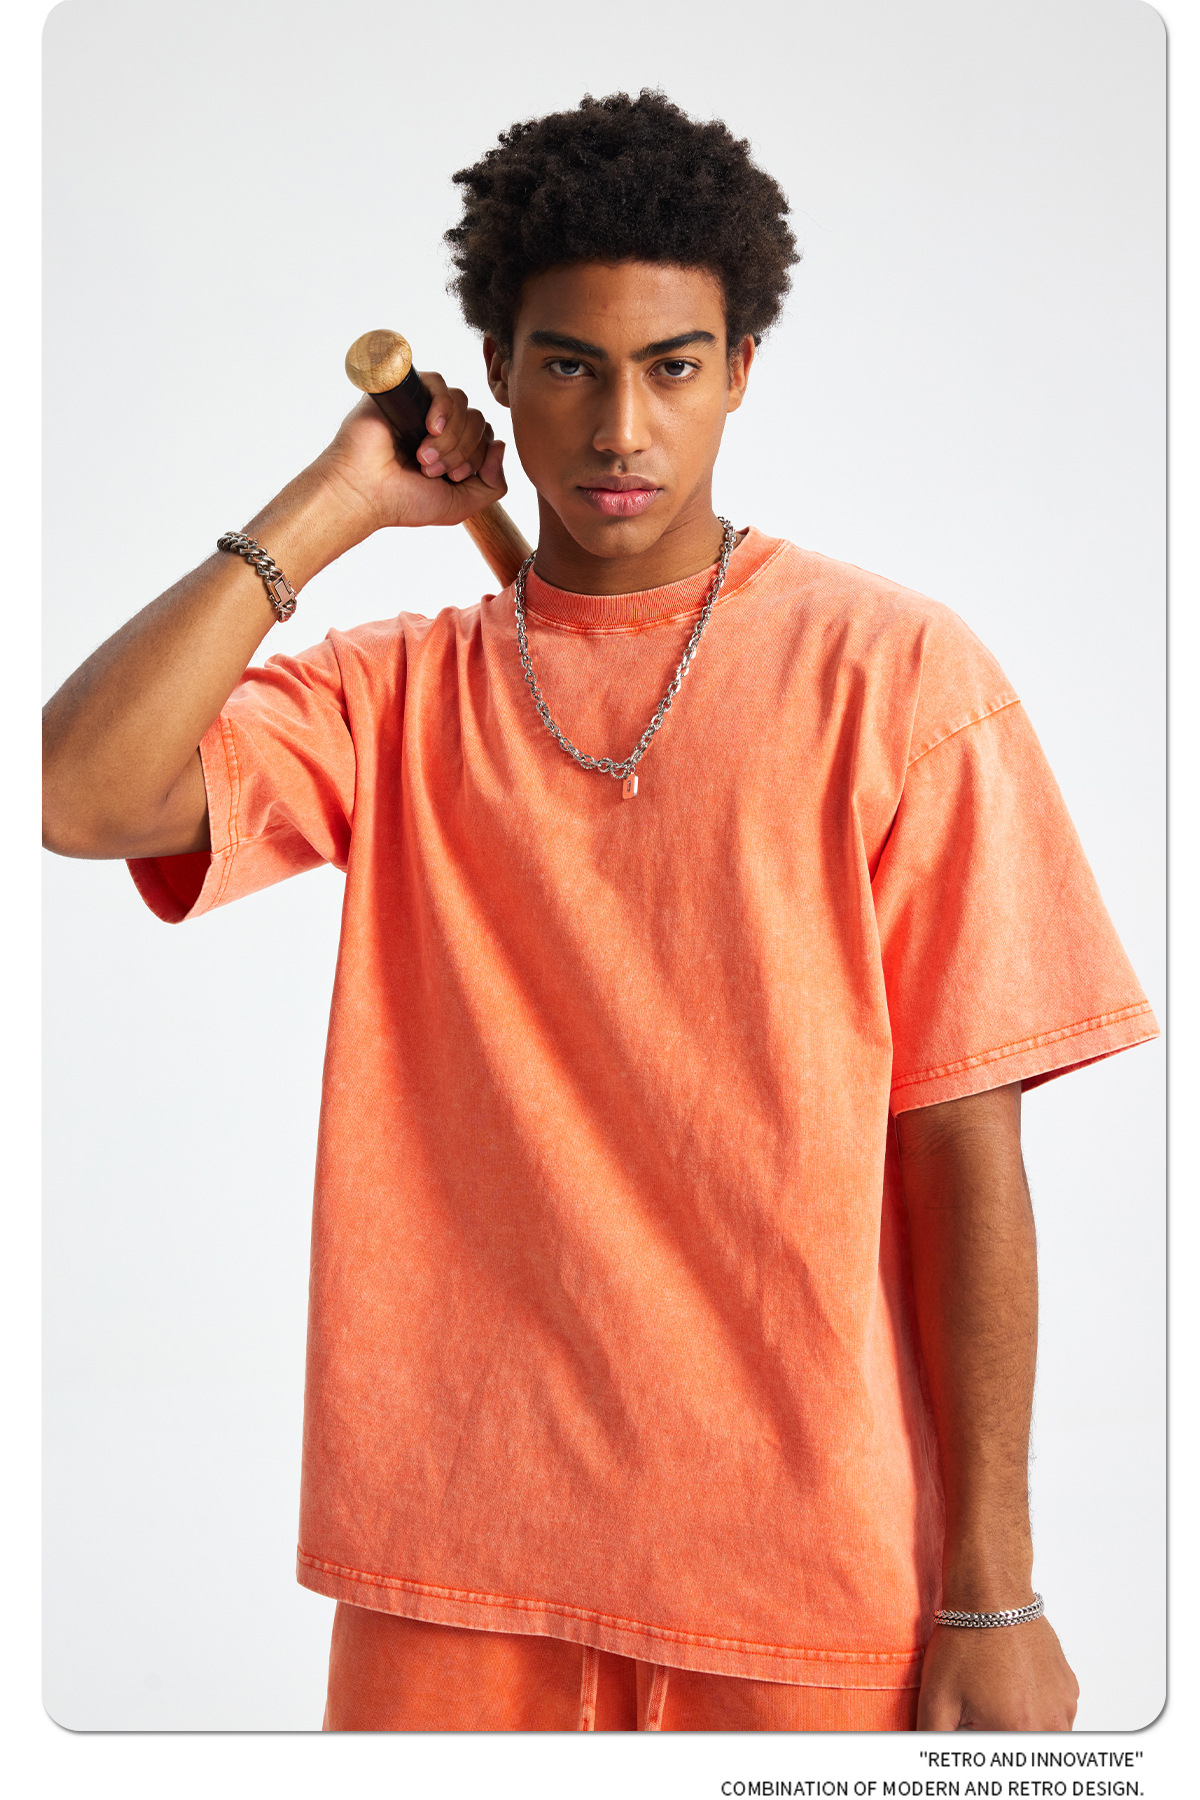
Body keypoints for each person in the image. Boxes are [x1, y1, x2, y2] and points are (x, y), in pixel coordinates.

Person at [42, 91, 1158, 1734]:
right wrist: (331, 506)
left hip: (803, 1583)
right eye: (570, 366)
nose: (622, 427)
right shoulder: (395, 696)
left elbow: (963, 1153)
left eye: (673, 367)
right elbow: (81, 793)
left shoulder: (898, 677)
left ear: (742, 369)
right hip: (452, 1572)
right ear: (497, 374)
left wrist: (996, 1587)